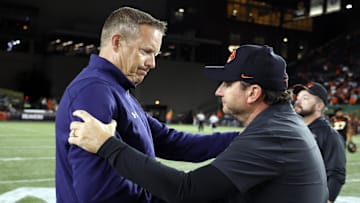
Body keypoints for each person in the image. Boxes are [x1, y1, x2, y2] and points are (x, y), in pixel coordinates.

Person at [68, 44, 328, 203]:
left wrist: (107, 146)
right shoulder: (279, 124)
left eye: (227, 84)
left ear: (253, 93)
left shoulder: (273, 134)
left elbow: (186, 191)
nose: (218, 91)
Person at [55, 7, 238, 203]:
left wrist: (244, 139)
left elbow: (171, 142)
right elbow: (101, 194)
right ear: (117, 42)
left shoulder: (118, 90)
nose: (152, 63)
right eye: (146, 51)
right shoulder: (94, 91)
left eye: (155, 55)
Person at [293, 82, 346, 203]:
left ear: (319, 106)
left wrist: (327, 200)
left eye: (305, 98)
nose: (298, 101)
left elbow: (336, 174)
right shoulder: (294, 130)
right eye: (298, 98)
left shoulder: (330, 135)